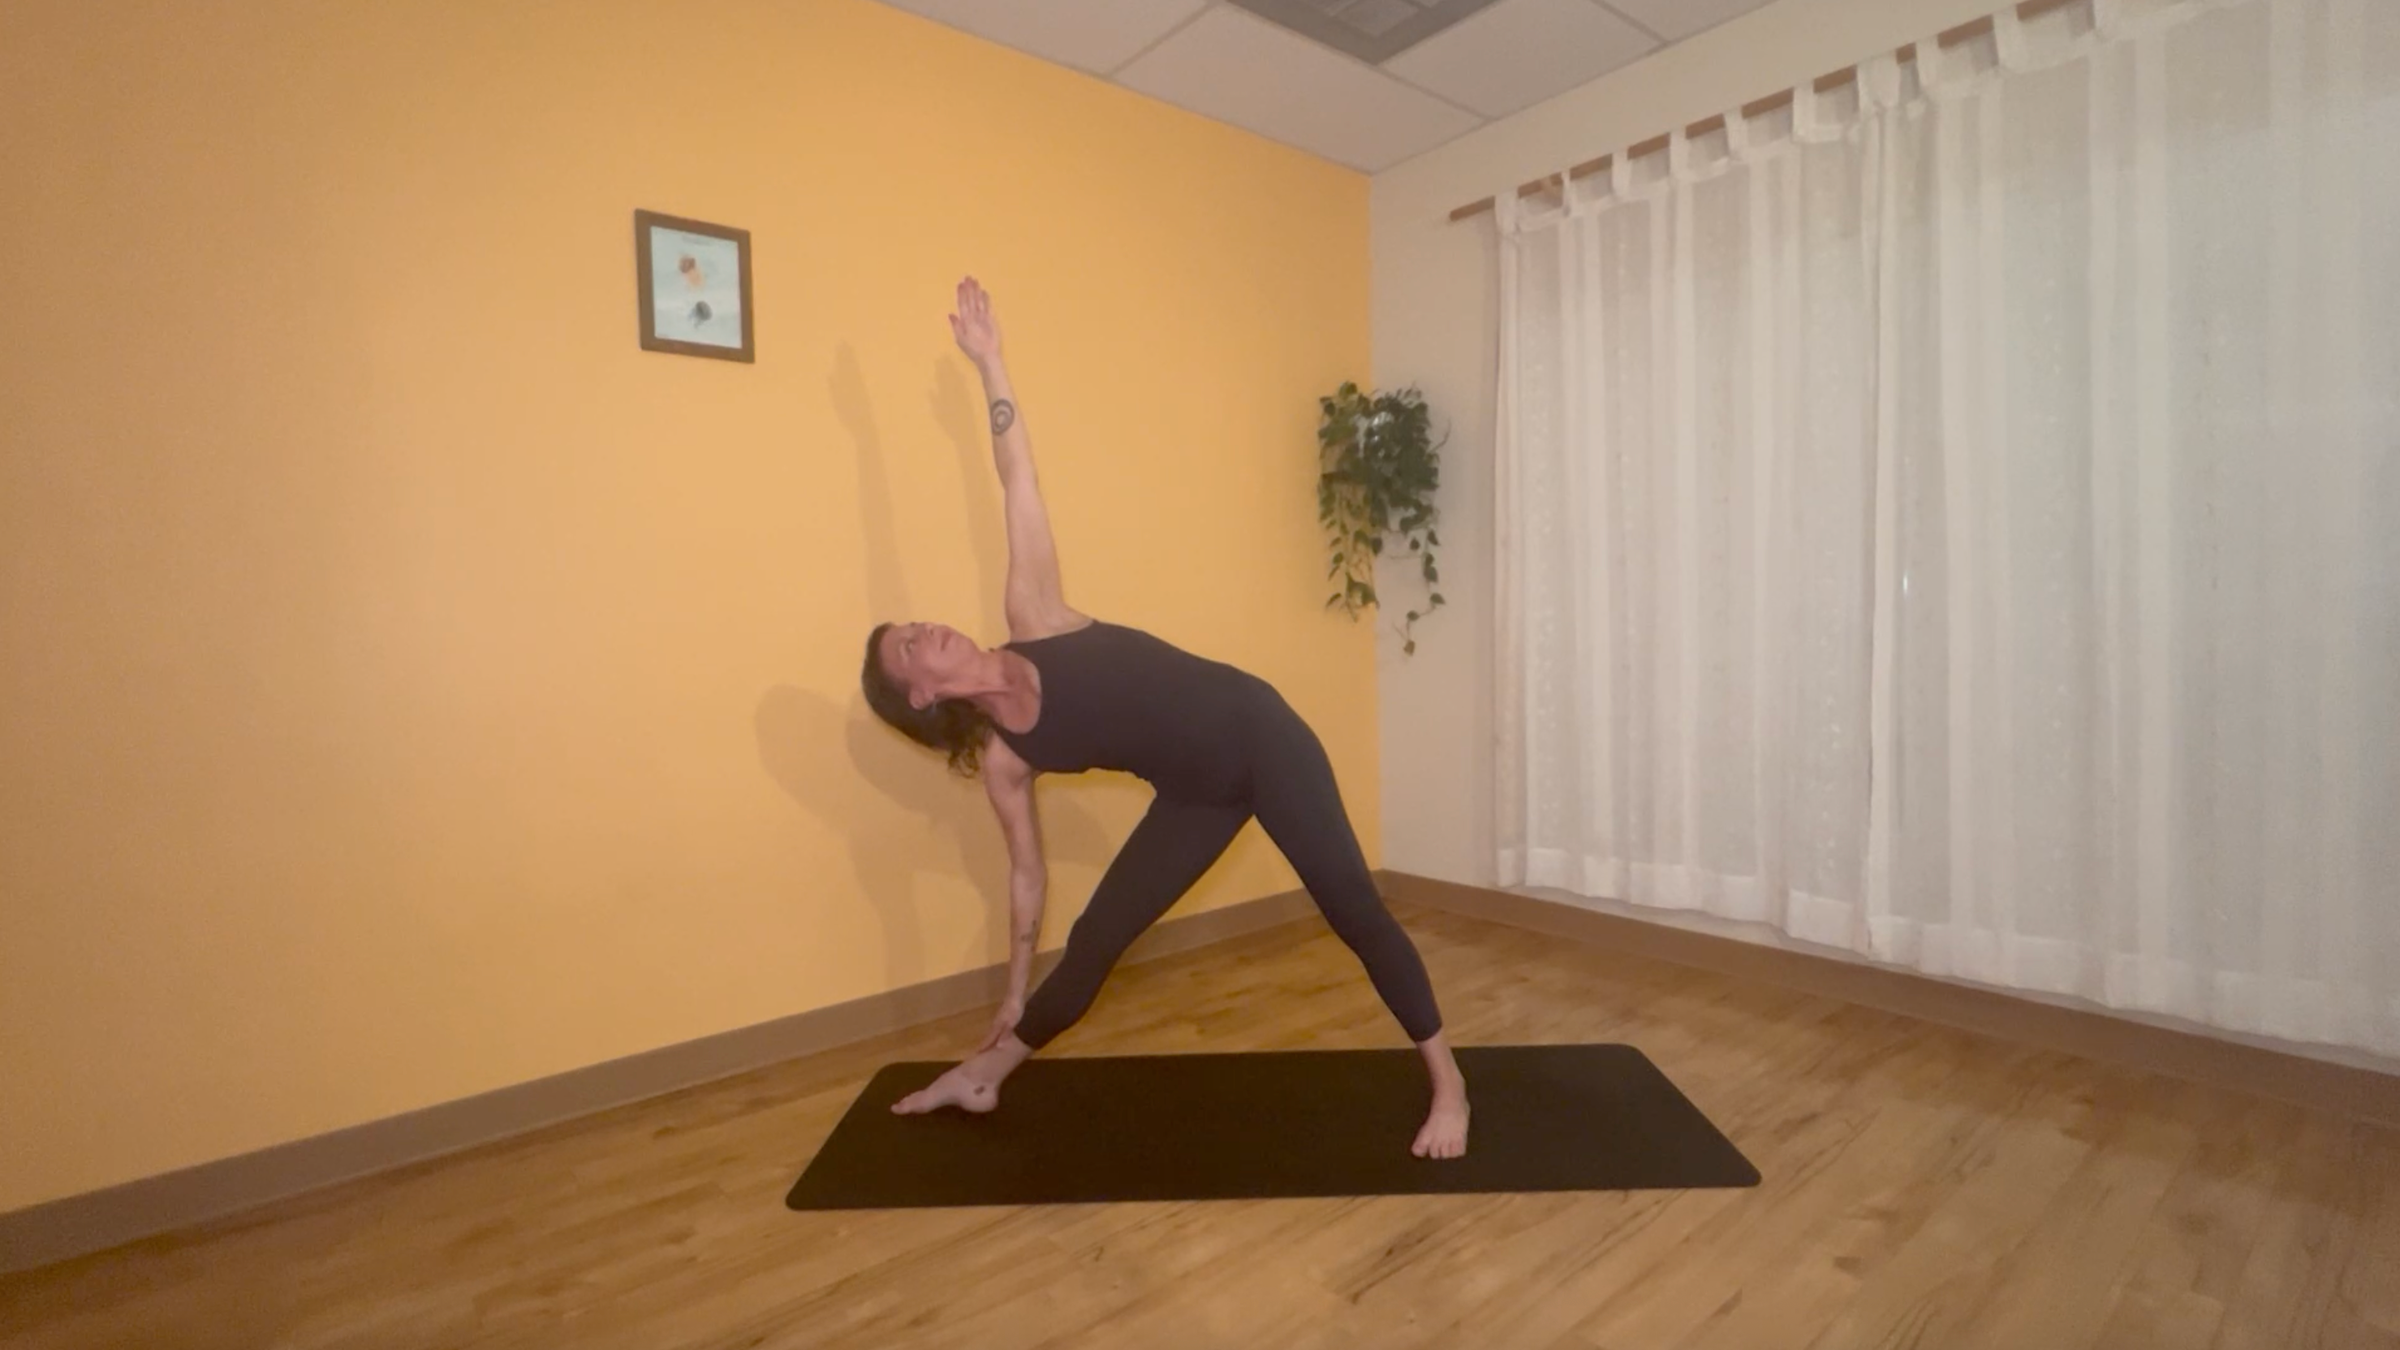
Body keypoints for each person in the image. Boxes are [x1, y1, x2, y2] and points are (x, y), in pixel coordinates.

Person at [858, 277, 1470, 1160]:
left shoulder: (1033, 611)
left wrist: (990, 363)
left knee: (1352, 909)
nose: (929, 631)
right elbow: (1026, 879)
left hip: (1265, 736)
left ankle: (1449, 1085)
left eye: (917, 623)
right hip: (1196, 792)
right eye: (912, 647)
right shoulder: (1003, 759)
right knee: (1097, 940)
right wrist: (1013, 990)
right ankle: (986, 1072)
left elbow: (1014, 476)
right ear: (921, 695)